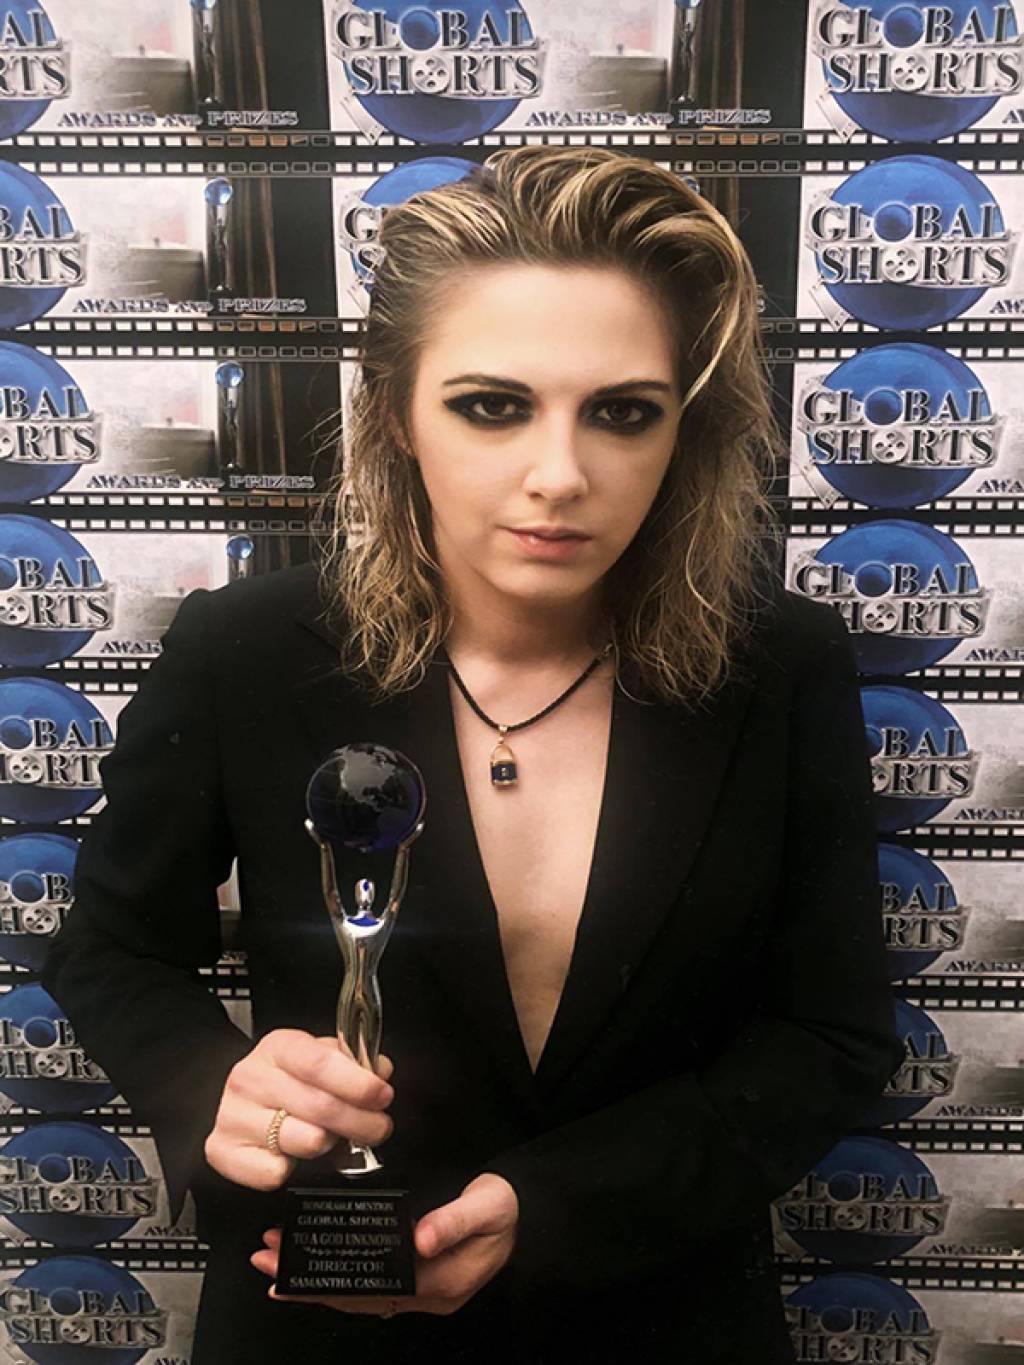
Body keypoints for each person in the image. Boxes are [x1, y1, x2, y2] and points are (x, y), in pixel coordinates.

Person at [42, 144, 904, 1364]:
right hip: (324, 1314)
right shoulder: (247, 653)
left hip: (659, 1314)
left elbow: (828, 1035)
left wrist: (553, 1207)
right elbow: (113, 948)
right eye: (492, 405)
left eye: (623, 412)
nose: (560, 476)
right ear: (396, 412)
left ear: (683, 430)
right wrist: (212, 1091)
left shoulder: (778, 668)